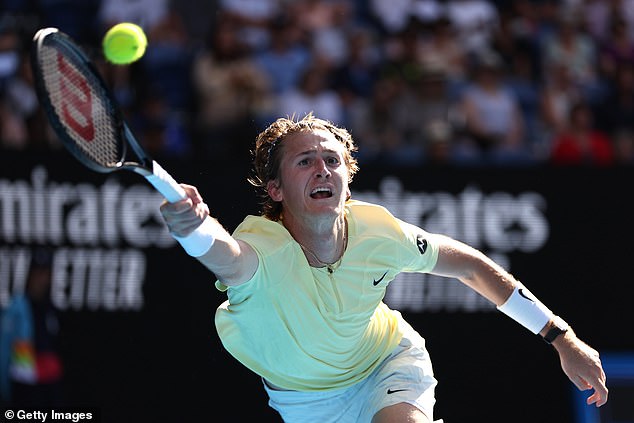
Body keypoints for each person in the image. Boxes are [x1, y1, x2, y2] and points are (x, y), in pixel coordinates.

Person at [159, 114, 608, 422]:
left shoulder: (379, 232)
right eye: (305, 162)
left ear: (348, 179)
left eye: (332, 161)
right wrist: (192, 228)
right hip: (307, 405)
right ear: (275, 190)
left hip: (386, 361)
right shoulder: (263, 250)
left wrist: (560, 337)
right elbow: (224, 254)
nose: (322, 170)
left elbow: (470, 266)